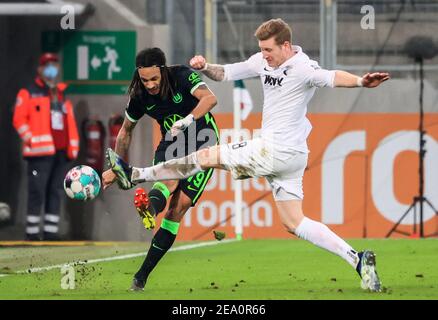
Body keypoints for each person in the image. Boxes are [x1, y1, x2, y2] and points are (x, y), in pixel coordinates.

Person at [107, 19, 390, 292]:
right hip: (291, 157)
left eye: (269, 50)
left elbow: (331, 77)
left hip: (274, 149)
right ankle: (358, 259)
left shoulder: (303, 67)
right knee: (294, 222)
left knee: (205, 157)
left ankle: (136, 174)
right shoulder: (262, 61)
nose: (264, 55)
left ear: (286, 45)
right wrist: (206, 67)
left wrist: (361, 82)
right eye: (262, 49)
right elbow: (225, 73)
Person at [102, 48, 219, 291]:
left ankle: (141, 275)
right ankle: (149, 209)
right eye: (145, 80)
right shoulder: (140, 96)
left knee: (178, 209)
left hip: (204, 141)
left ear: (163, 71)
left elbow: (210, 99)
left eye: (154, 79)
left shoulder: (182, 76)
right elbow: (125, 132)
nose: (151, 85)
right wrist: (117, 167)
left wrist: (187, 120)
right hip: (172, 142)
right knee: (167, 182)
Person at [13, 52, 80, 241]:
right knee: (37, 191)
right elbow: (19, 119)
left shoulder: (60, 94)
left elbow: (70, 123)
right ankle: (32, 233)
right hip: (39, 153)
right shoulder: (28, 92)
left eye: (54, 65)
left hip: (61, 153)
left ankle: (50, 232)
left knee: (56, 191)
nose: (52, 69)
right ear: (40, 69)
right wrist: (31, 140)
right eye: (48, 65)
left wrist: (72, 147)